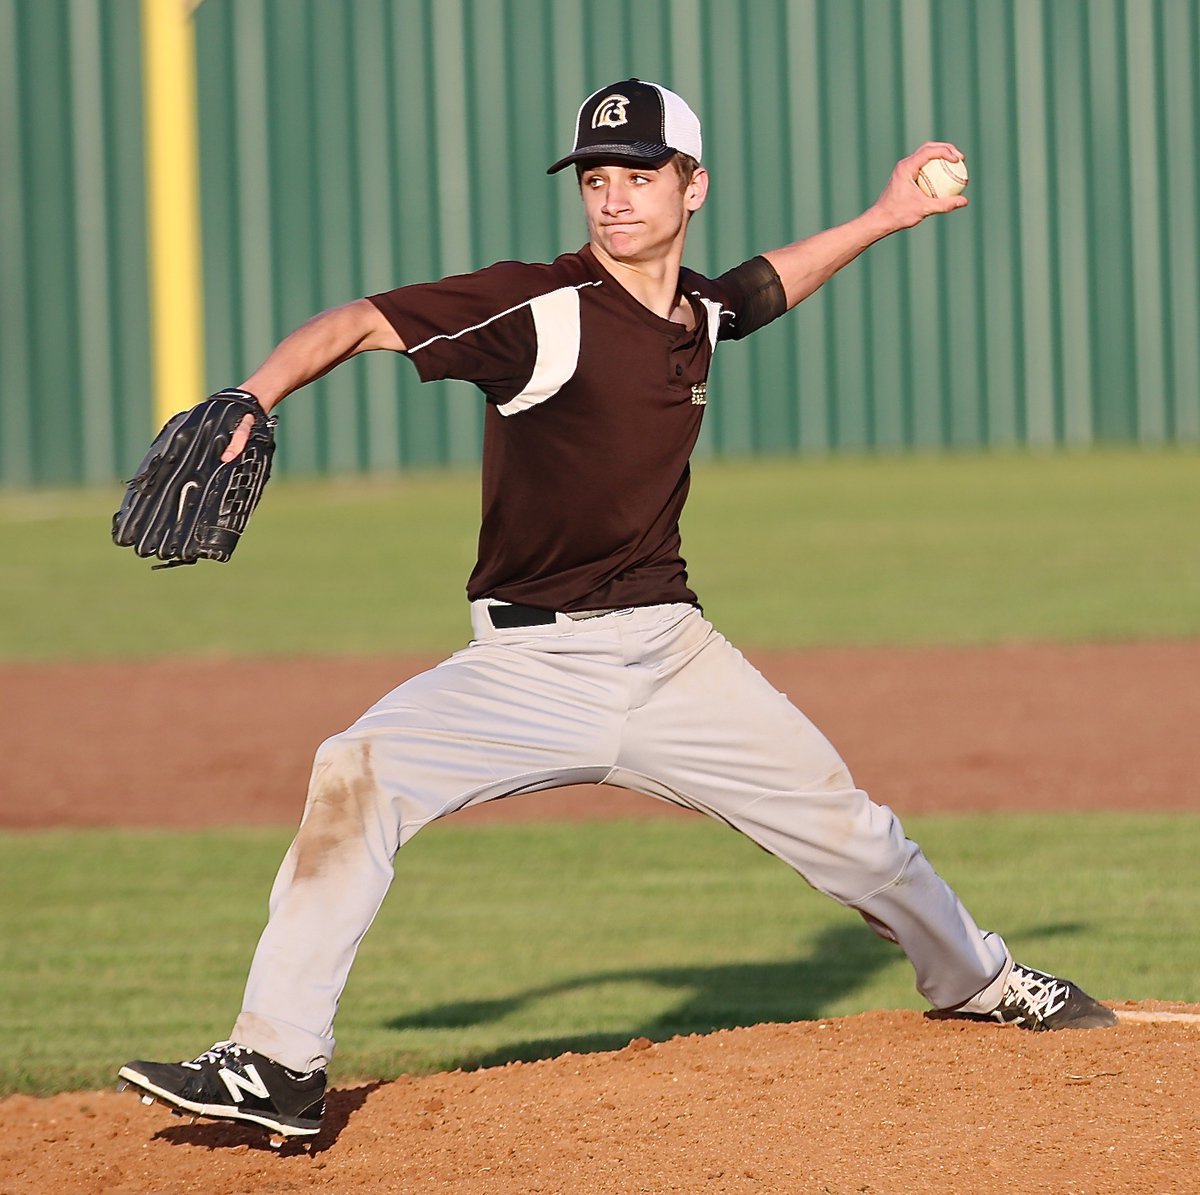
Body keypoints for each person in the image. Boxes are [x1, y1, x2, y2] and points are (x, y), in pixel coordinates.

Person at [118, 78, 1115, 1143]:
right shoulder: (541, 308)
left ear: (694, 188)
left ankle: (979, 978)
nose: (613, 197)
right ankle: (277, 1060)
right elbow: (365, 321)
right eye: (597, 177)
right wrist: (255, 395)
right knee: (356, 769)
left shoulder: (696, 314)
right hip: (523, 670)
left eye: (640, 175)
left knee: (856, 837)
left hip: (674, 658)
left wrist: (885, 216)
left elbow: (763, 288)